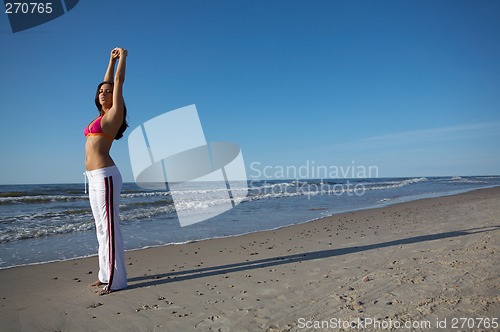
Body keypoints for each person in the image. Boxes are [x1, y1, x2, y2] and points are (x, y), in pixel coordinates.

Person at [84, 47, 128, 295]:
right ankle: (104, 275)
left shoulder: (114, 113)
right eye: (101, 91)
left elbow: (117, 81)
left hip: (106, 177)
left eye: (108, 91)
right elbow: (108, 79)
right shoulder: (99, 115)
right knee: (101, 228)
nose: (104, 93)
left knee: (110, 228)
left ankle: (117, 280)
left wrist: (122, 58)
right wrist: (108, 61)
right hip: (93, 178)